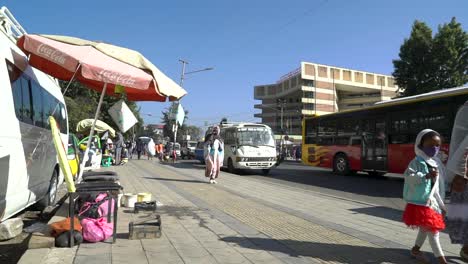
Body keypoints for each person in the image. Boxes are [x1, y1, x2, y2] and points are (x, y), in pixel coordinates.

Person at [402, 129, 447, 264]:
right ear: (420, 145)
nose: (434, 148)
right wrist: (425, 176)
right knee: (433, 233)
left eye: (437, 145)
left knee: (424, 229)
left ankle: (415, 250)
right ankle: (442, 261)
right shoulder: (416, 162)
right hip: (420, 204)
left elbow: (436, 188)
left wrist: (442, 206)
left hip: (432, 203)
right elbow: (408, 177)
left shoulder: (436, 163)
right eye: (430, 145)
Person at [446, 100, 468, 262]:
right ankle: (466, 249)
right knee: (462, 213)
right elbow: (461, 146)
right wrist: (457, 175)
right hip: (463, 175)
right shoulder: (465, 110)